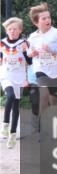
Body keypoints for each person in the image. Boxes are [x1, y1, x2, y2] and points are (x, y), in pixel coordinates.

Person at [25, 3, 57, 127]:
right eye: (44, 18)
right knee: (43, 96)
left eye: (49, 17)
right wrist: (32, 53)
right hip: (41, 70)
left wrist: (52, 50)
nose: (47, 20)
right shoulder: (33, 37)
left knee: (54, 101)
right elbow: (28, 53)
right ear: (36, 22)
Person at [1, 17, 30, 148]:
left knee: (16, 106)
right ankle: (5, 125)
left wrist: (24, 52)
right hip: (6, 75)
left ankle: (13, 134)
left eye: (15, 29)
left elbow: (30, 62)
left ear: (20, 30)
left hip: (20, 77)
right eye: (10, 29)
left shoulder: (25, 43)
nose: (12, 31)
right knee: (10, 96)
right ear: (6, 30)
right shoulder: (1, 43)